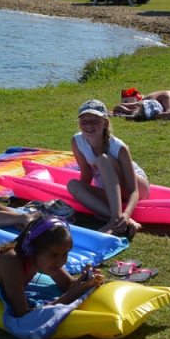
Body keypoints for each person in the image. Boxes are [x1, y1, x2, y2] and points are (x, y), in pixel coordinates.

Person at [66, 100, 151, 237]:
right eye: (84, 121)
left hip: (137, 188)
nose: (88, 125)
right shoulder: (77, 141)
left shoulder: (118, 147)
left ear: (105, 123)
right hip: (110, 191)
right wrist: (82, 195)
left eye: (94, 121)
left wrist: (127, 213)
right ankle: (123, 221)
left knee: (103, 159)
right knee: (72, 185)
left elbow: (133, 190)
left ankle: (114, 221)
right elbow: (86, 175)